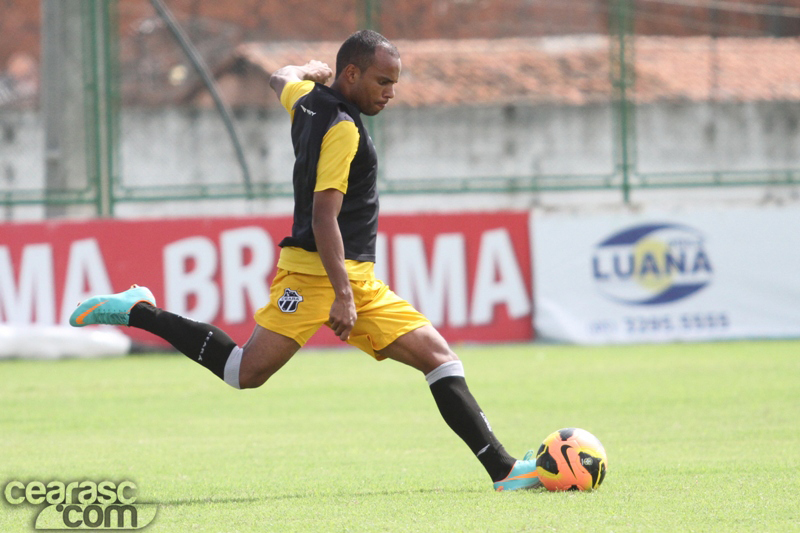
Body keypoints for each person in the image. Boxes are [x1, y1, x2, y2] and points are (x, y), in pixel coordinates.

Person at [70, 30, 540, 491]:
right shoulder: (341, 128)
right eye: (382, 81)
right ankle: (138, 310)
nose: (391, 92)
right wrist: (341, 295)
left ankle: (502, 470)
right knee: (243, 372)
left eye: (394, 82)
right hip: (320, 277)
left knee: (440, 360)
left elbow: (280, 77)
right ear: (351, 74)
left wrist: (308, 71)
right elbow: (323, 217)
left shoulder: (308, 100)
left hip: (354, 277)